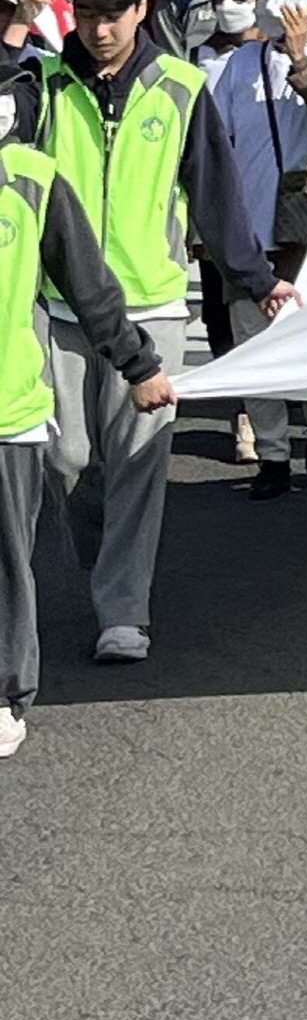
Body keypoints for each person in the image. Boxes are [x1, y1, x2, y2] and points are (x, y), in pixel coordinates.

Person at [0, 0, 280, 662]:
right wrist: (16, 31)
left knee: (138, 459)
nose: (98, 31)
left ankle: (123, 608)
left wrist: (254, 277)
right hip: (56, 304)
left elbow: (215, 194)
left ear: (143, 9)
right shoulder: (45, 80)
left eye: (112, 16)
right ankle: (105, 569)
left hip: (151, 303)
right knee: (65, 460)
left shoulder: (182, 87)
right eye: (86, 14)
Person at [0, 89, 173, 759]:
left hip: (7, 407)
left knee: (6, 559)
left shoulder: (32, 180)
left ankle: (9, 690)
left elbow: (88, 284)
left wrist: (138, 364)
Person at [196, 0, 307, 497]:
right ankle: (272, 455)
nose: (270, 2)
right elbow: (216, 144)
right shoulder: (238, 63)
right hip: (248, 225)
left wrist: (300, 59)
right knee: (252, 342)